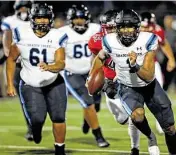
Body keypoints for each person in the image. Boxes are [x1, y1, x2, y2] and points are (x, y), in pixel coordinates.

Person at [90, 9, 176, 155]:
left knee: (169, 128)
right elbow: (100, 57)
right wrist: (91, 76)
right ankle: (151, 137)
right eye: (123, 27)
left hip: (149, 86)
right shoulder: (109, 41)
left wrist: (134, 65)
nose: (126, 31)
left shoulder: (148, 39)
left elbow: (148, 75)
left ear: (137, 28)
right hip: (127, 86)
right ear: (117, 28)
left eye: (130, 27)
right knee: (137, 116)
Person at [6, 3, 68, 155]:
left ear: (50, 19)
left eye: (45, 18)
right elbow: (11, 59)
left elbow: (61, 63)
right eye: (39, 17)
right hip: (30, 83)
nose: (42, 21)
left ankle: (60, 150)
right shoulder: (21, 33)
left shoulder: (57, 35)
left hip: (54, 82)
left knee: (59, 117)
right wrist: (9, 84)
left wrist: (50, 67)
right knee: (37, 119)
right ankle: (36, 130)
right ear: (32, 18)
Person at [88, 10, 141, 155]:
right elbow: (95, 59)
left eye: (114, 27)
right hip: (110, 83)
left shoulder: (132, 39)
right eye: (108, 27)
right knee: (121, 118)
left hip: (129, 81)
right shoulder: (97, 40)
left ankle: (135, 148)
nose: (111, 31)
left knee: (135, 115)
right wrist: (92, 76)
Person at [59, 4, 109, 147]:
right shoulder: (62, 32)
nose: (79, 22)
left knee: (95, 106)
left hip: (92, 72)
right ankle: (98, 136)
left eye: (82, 18)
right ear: (70, 20)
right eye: (76, 19)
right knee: (88, 103)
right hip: (72, 73)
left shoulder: (95, 29)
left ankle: (88, 120)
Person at [1, 0, 33, 140]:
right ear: (16, 8)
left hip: (35, 64)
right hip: (19, 65)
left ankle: (36, 122)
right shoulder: (10, 21)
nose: (24, 10)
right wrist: (10, 55)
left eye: (27, 7)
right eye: (21, 7)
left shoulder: (38, 19)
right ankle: (31, 127)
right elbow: (6, 40)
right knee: (25, 98)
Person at [140, 12, 176, 134]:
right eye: (143, 26)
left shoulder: (157, 30)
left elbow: (164, 44)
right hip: (136, 67)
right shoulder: (132, 31)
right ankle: (136, 122)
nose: (146, 29)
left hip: (153, 65)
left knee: (160, 94)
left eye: (148, 26)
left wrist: (171, 59)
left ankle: (162, 123)